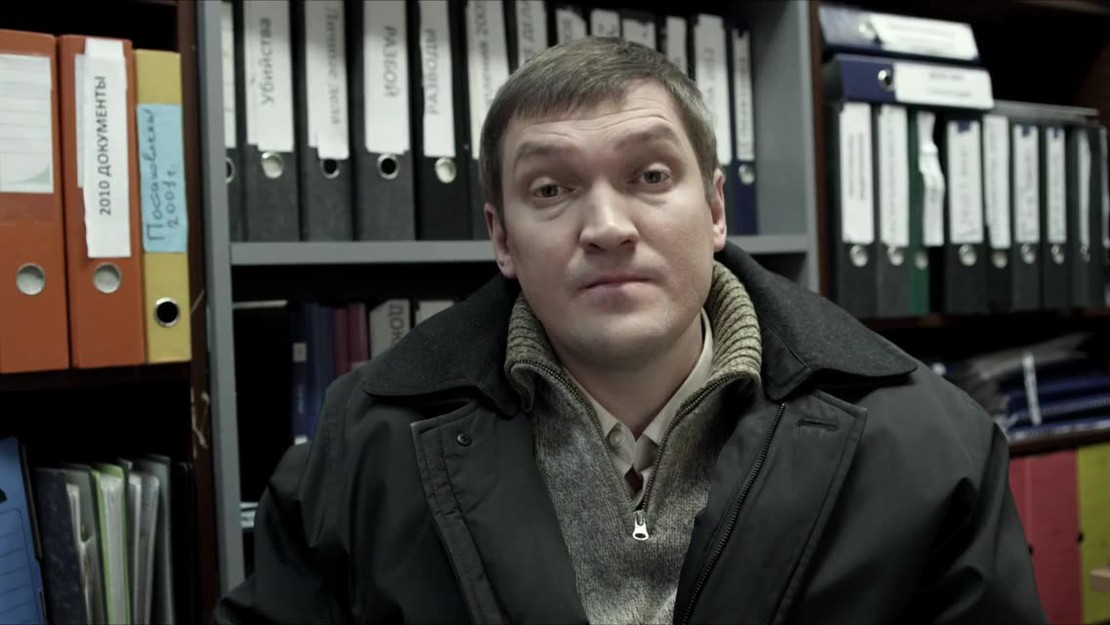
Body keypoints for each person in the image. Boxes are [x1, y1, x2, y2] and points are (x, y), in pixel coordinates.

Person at [214, 37, 1046, 624]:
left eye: (649, 175)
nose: (607, 227)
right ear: (502, 240)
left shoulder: (931, 447)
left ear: (714, 209)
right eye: (550, 190)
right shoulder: (362, 450)